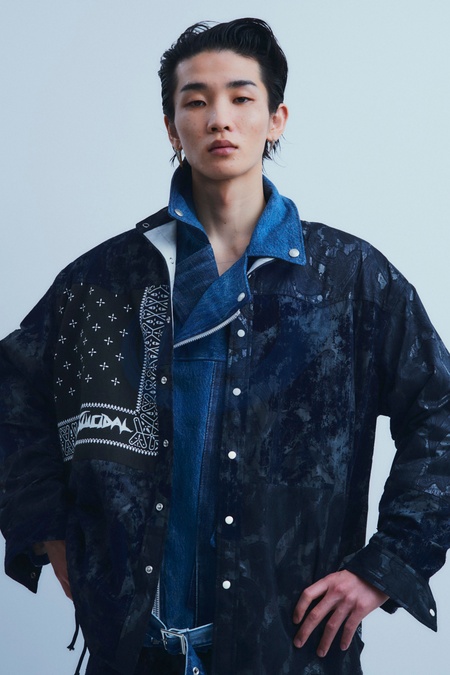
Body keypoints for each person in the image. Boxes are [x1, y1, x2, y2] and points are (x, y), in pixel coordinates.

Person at [1, 17, 449, 675]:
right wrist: (49, 532)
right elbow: (14, 399)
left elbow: (441, 413)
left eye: (241, 97)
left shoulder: (350, 279)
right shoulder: (103, 280)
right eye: (196, 101)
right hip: (135, 652)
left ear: (276, 119)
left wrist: (388, 563)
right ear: (170, 126)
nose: (219, 119)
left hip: (290, 650)